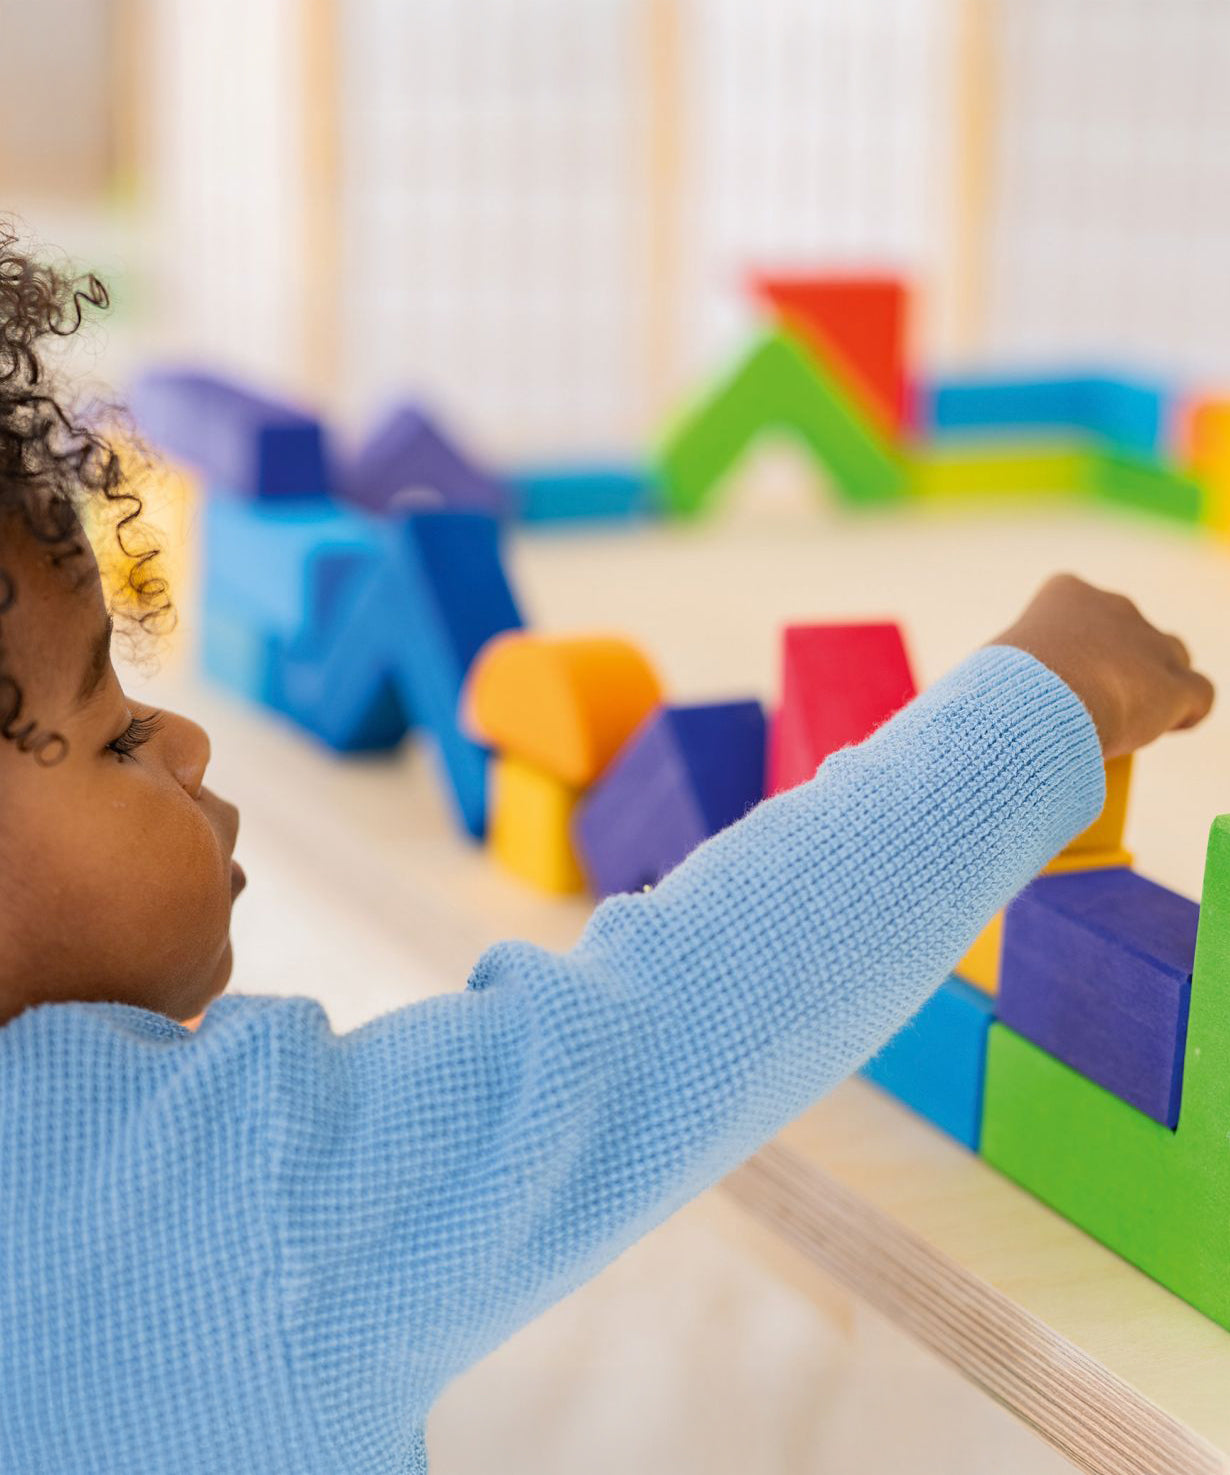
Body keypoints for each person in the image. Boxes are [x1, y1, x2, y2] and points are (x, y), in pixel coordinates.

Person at [0, 229, 1214, 1473]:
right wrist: (1040, 707)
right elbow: (670, 1018)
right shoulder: (233, 1205)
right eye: (111, 732)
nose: (187, 739)